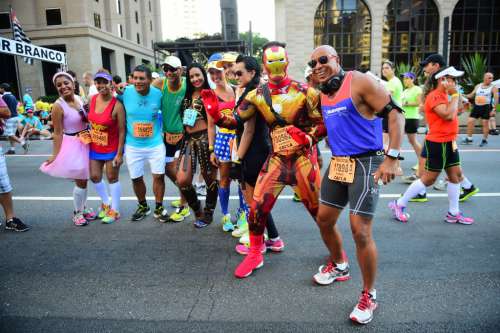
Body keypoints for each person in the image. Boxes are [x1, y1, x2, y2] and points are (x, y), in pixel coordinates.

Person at [205, 41, 325, 278]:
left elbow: (322, 123)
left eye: (280, 60)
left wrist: (309, 140)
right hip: (277, 159)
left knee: (319, 213)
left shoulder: (305, 92)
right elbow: (234, 122)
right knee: (257, 208)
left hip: (302, 161)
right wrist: (215, 112)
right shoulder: (257, 94)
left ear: (287, 61)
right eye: (271, 61)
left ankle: (338, 256)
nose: (276, 66)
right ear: (264, 65)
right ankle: (255, 254)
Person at [310, 45, 404, 325]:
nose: (317, 66)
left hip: (367, 163)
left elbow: (396, 114)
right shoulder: (324, 93)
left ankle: (369, 294)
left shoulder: (359, 80)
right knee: (324, 219)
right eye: (313, 62)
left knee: (360, 231)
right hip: (339, 163)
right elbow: (334, 125)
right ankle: (340, 264)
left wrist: (392, 158)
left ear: (337, 59)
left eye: (323, 60)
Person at [389, 66, 474, 225]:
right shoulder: (435, 96)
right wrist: (455, 95)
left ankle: (453, 213)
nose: (455, 82)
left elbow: (454, 113)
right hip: (438, 142)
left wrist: (461, 105)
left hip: (450, 141)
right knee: (428, 179)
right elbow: (447, 115)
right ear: (443, 80)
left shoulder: (445, 95)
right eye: (452, 79)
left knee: (455, 175)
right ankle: (398, 205)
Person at [230, 55, 284, 254]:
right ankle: (275, 239)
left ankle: (258, 244)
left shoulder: (253, 93)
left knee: (254, 202)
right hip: (257, 150)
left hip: (253, 152)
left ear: (252, 73)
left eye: (239, 73)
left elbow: (249, 130)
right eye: (234, 73)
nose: (236, 76)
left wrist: (238, 159)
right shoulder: (254, 90)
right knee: (257, 201)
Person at [40, 71, 97, 226]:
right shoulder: (58, 106)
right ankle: (77, 212)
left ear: (73, 83)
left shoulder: (79, 98)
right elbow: (57, 133)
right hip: (73, 144)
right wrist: (55, 155)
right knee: (80, 181)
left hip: (87, 140)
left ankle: (83, 208)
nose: (63, 87)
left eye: (66, 83)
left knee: (85, 179)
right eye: (59, 85)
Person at [117, 65, 167, 221]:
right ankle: (143, 205)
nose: (138, 81)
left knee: (158, 176)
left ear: (149, 80)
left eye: (141, 78)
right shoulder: (126, 93)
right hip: (133, 145)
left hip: (155, 143)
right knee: (136, 178)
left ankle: (159, 207)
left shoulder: (158, 95)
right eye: (135, 78)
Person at [207, 53, 247, 232]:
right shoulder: (211, 95)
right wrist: (211, 149)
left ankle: (242, 213)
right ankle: (225, 215)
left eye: (218, 71)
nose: (216, 76)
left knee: (241, 179)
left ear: (225, 70)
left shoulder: (237, 89)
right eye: (212, 73)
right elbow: (210, 126)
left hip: (239, 138)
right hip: (223, 139)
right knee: (224, 179)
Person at [175, 63, 219, 228]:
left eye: (198, 75)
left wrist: (212, 148)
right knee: (182, 180)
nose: (195, 79)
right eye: (192, 76)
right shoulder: (187, 96)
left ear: (204, 75)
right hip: (188, 140)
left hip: (205, 140)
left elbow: (212, 123)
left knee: (210, 179)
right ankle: (197, 210)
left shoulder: (209, 94)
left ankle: (208, 214)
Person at [152, 55, 190, 223]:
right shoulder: (161, 83)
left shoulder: (187, 84)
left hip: (185, 136)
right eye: (165, 69)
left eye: (173, 69)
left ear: (180, 70)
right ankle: (187, 192)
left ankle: (184, 206)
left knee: (181, 172)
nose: (169, 72)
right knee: (168, 169)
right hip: (167, 136)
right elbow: (144, 91)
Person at [88, 70, 126, 224]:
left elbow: (122, 131)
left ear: (111, 84)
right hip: (95, 146)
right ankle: (106, 204)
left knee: (112, 177)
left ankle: (115, 210)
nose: (101, 85)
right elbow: (88, 119)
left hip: (112, 147)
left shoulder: (117, 105)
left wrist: (119, 153)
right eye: (98, 82)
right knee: (95, 176)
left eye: (104, 82)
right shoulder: (92, 99)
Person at [0, 96, 30, 232]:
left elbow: (6, 112)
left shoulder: (2, 97)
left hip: (11, 122)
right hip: (14, 121)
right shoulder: (8, 97)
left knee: (3, 184)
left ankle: (10, 219)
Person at [463, 72, 498, 147]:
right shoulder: (478, 86)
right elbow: (471, 95)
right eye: (489, 78)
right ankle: (469, 138)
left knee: (485, 123)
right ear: (484, 78)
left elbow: (496, 99)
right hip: (476, 106)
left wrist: (494, 109)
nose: (491, 79)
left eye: (492, 78)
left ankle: (484, 140)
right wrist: (463, 95)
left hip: (486, 107)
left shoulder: (493, 87)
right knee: (470, 121)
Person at [401, 72, 423, 170]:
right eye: (404, 79)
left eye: (407, 78)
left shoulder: (417, 89)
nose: (405, 80)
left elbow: (419, 102)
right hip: (403, 118)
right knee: (399, 141)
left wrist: (406, 103)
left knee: (413, 141)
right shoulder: (405, 91)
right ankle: (396, 164)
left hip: (412, 118)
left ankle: (422, 162)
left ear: (412, 79)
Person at [0, 83, 27, 154]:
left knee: (9, 134)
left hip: (9, 118)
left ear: (3, 89)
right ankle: (12, 149)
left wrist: (2, 119)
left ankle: (22, 142)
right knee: (12, 134)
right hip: (16, 117)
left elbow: (3, 109)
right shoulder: (13, 96)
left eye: (0, 88)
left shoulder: (4, 97)